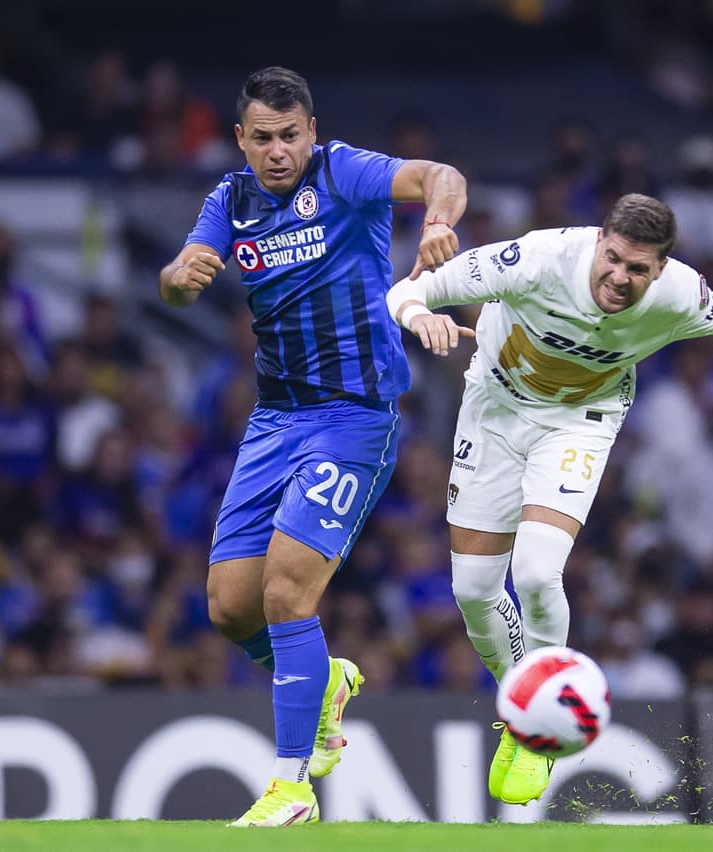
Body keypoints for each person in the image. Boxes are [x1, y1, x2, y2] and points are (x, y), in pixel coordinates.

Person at [385, 193, 713, 805]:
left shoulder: (679, 294)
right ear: (599, 242)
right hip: (494, 412)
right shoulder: (536, 259)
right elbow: (412, 287)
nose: (620, 276)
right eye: (613, 259)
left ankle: (537, 726)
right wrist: (416, 314)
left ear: (660, 269)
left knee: (534, 572)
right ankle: (526, 700)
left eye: (638, 269)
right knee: (474, 591)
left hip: (579, 421)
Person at [159, 66, 466, 827]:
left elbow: (441, 175)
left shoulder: (343, 173)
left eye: (289, 136)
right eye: (261, 138)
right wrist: (178, 276)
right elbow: (175, 281)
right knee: (230, 610)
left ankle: (291, 787)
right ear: (241, 139)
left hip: (354, 416)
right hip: (275, 419)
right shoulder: (228, 200)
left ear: (311, 132)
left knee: (286, 593)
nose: (277, 151)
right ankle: (322, 682)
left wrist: (436, 223)